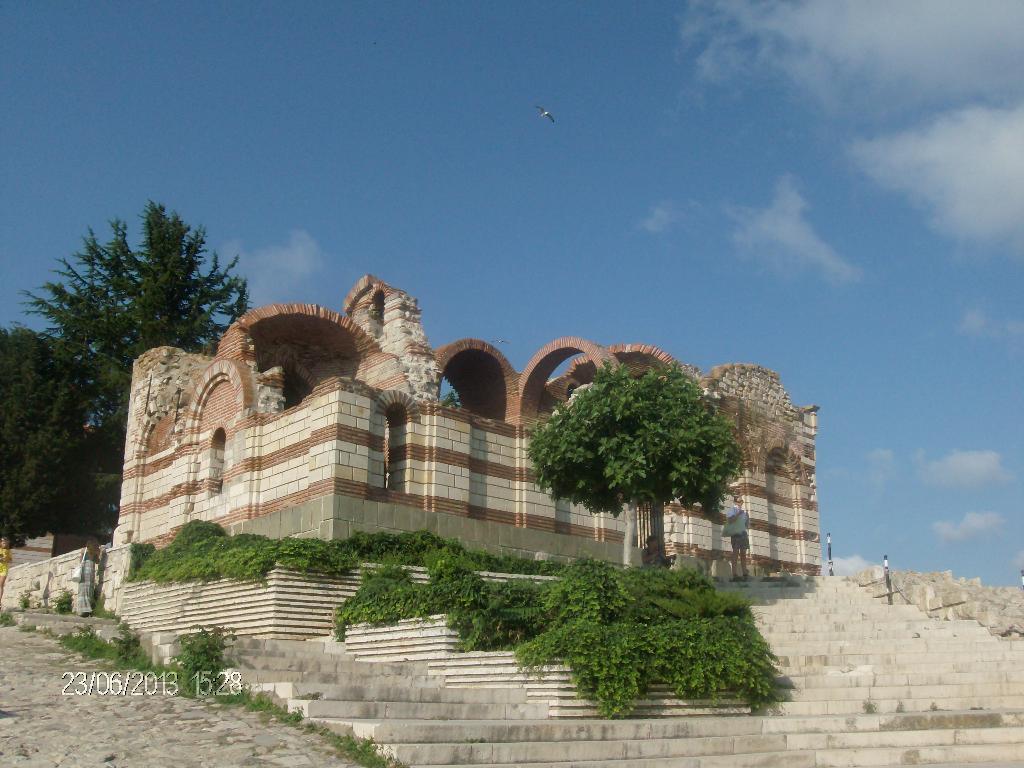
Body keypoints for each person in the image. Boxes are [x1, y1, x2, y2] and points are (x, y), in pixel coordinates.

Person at [73, 539, 101, 616]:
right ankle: (88, 609)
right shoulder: (95, 552)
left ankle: (82, 610)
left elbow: (80, 561)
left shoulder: (83, 551)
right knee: (89, 590)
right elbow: (98, 561)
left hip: (84, 572)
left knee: (82, 590)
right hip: (91, 572)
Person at [725, 499, 750, 580]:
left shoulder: (745, 512)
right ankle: (734, 573)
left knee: (743, 552)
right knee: (735, 552)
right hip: (735, 533)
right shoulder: (732, 511)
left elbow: (747, 525)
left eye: (741, 501)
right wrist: (738, 514)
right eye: (739, 501)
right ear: (735, 502)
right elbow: (730, 521)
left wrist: (747, 518)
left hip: (743, 533)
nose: (740, 503)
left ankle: (744, 572)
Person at [0, 536, 11, 606]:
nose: (4, 543)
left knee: (0, 585)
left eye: (5, 542)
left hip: (4, 569)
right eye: (2, 541)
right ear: (1, 543)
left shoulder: (8, 551)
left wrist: (5, 559)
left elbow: (10, 560)